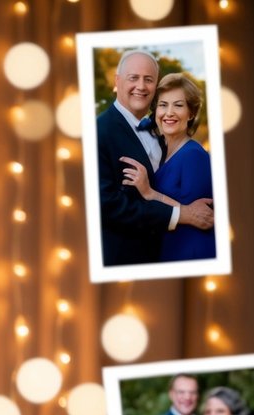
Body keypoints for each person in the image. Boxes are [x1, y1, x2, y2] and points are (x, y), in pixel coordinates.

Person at [96, 50, 213, 266]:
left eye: (148, 80)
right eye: (133, 78)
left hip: (187, 251)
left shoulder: (190, 154)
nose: (141, 86)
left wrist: (151, 193)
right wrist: (182, 214)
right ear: (117, 81)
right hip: (126, 260)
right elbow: (106, 205)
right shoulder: (98, 131)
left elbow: (204, 215)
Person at [119, 74, 216, 262]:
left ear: (191, 113)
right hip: (169, 249)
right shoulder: (164, 153)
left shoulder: (193, 156)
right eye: (163, 105)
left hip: (191, 253)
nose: (169, 112)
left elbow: (203, 219)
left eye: (178, 105)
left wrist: (150, 193)